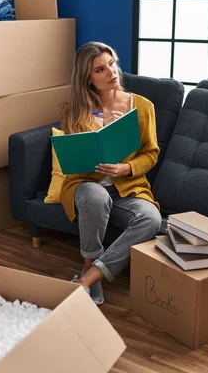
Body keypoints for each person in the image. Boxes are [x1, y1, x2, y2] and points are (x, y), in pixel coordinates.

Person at [59, 41, 162, 305]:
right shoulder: (74, 110)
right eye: (100, 69)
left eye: (112, 63)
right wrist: (100, 132)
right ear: (88, 78)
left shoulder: (142, 107)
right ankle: (88, 262)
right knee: (95, 196)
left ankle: (90, 276)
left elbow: (151, 153)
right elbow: (73, 157)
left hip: (127, 188)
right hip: (86, 185)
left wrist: (126, 166)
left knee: (151, 219)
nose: (111, 72)